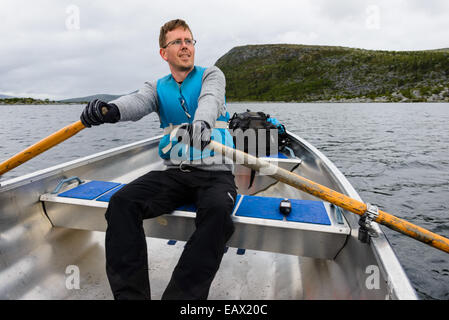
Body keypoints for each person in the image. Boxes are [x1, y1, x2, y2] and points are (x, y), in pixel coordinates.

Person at [79, 19, 237, 300]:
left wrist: (201, 124)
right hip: (176, 171)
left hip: (216, 173)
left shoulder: (211, 75)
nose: (185, 46)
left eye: (189, 41)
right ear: (164, 52)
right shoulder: (156, 87)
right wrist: (108, 110)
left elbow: (210, 101)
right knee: (122, 203)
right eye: (177, 42)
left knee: (217, 214)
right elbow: (137, 103)